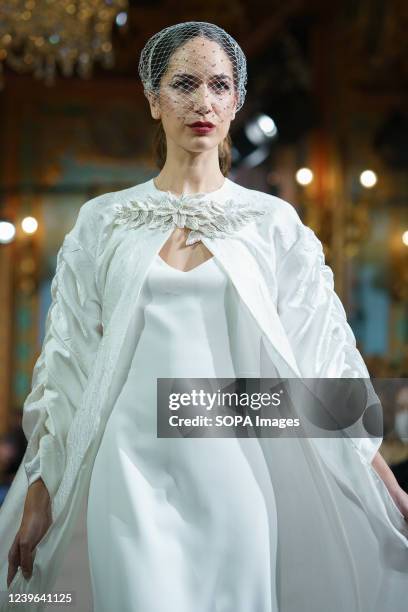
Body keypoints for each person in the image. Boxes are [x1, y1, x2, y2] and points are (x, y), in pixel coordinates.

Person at [1, 21, 408, 612]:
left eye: (219, 86)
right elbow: (67, 360)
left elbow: (321, 348)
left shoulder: (274, 224)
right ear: (152, 98)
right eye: (184, 84)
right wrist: (42, 482)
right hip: (127, 462)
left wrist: (373, 463)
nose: (202, 102)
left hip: (236, 463)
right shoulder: (103, 220)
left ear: (237, 102)